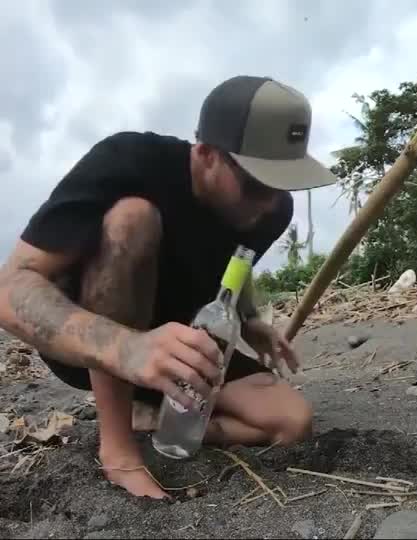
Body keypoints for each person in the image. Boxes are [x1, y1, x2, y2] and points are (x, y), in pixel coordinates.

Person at [0, 75, 339, 500]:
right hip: (98, 339)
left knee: (292, 422)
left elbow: (238, 263)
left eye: (281, 184)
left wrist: (251, 321)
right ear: (206, 153)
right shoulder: (128, 161)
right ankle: (118, 445)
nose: (268, 203)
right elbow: (12, 286)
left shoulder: (271, 210)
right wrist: (130, 348)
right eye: (255, 184)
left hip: (187, 343)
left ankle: (151, 414)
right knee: (133, 218)